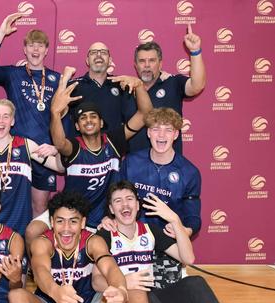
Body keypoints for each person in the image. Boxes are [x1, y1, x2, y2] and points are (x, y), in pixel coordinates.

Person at [96, 181, 275, 303]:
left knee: (194, 283)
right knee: (143, 293)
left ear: (138, 204)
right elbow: (96, 282)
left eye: (129, 199)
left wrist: (175, 220)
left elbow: (188, 258)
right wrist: (125, 282)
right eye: (118, 201)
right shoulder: (104, 235)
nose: (125, 205)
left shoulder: (150, 231)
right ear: (111, 208)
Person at [8, 191, 128, 303]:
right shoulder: (42, 242)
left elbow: (110, 267)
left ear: (83, 223)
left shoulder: (93, 241)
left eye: (73, 221)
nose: (66, 228)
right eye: (60, 221)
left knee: (133, 289)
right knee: (16, 296)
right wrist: (55, 291)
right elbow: (40, 271)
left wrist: (121, 290)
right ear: (51, 223)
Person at [48, 68, 152, 230]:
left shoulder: (114, 141)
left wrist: (139, 87)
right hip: (72, 215)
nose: (88, 120)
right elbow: (60, 144)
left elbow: (145, 114)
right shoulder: (75, 146)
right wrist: (55, 113)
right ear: (77, 126)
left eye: (93, 116)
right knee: (33, 231)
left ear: (102, 123)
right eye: (83, 118)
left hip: (104, 219)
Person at [0, 13, 62, 217]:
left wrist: (57, 147)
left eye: (40, 45)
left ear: (46, 50)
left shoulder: (57, 79)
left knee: (40, 210)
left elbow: (64, 117)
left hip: (44, 153)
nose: (36, 49)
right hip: (16, 153)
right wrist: (1, 33)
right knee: (9, 205)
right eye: (32, 45)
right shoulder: (13, 74)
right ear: (24, 50)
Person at [114, 107, 201, 289]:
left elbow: (193, 217)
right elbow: (114, 197)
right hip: (131, 244)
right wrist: (109, 218)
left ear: (176, 134)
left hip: (166, 246)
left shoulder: (189, 172)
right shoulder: (131, 162)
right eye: (156, 129)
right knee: (132, 297)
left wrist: (186, 230)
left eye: (168, 129)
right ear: (148, 132)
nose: (161, 135)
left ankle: (179, 271)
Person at [0, 99, 64, 236]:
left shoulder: (26, 145)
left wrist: (57, 150)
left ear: (12, 121)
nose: (1, 121)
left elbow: (59, 167)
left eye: (6, 116)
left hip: (21, 227)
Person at [128, 24, 206, 153]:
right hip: (135, 166)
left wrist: (195, 51)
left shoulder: (173, 83)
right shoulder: (128, 88)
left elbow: (197, 86)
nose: (147, 65)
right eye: (142, 61)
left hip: (169, 166)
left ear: (160, 64)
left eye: (152, 60)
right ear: (136, 66)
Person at [62, 42, 135, 139]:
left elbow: (132, 120)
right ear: (87, 60)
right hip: (81, 151)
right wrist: (63, 81)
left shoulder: (121, 85)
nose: (99, 55)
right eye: (93, 52)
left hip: (114, 149)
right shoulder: (73, 86)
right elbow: (56, 114)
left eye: (103, 52)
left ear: (110, 60)